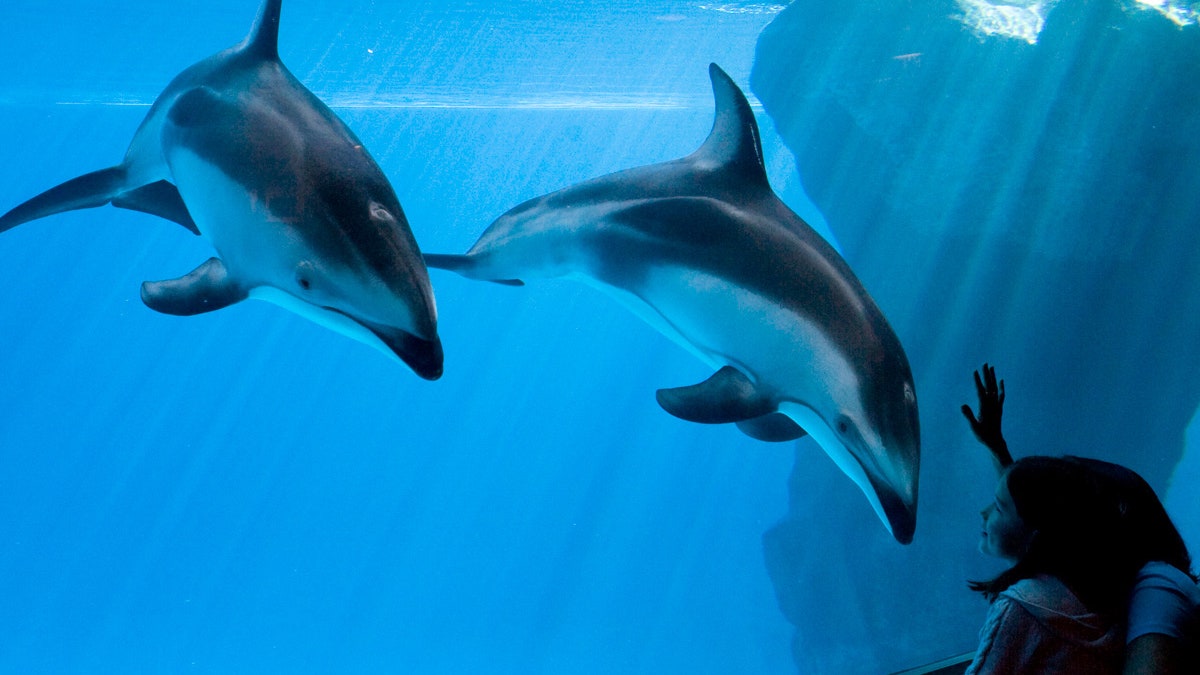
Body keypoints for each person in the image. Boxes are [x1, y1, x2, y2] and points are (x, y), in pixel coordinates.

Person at [962, 364, 1200, 674]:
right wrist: (998, 448)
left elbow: (1037, 523)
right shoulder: (1099, 594)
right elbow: (1036, 519)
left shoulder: (1156, 587)